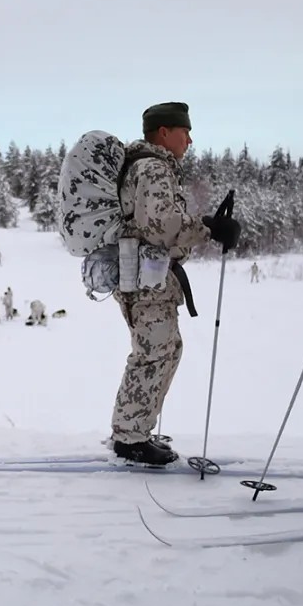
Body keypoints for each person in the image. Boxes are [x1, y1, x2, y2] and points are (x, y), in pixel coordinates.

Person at [110, 102, 240, 466]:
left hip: (149, 278)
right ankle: (129, 440)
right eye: (185, 132)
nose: (190, 140)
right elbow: (160, 226)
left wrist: (204, 226)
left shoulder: (151, 167)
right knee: (153, 354)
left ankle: (136, 431)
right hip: (145, 281)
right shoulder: (153, 168)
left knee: (166, 350)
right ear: (164, 133)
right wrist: (208, 228)